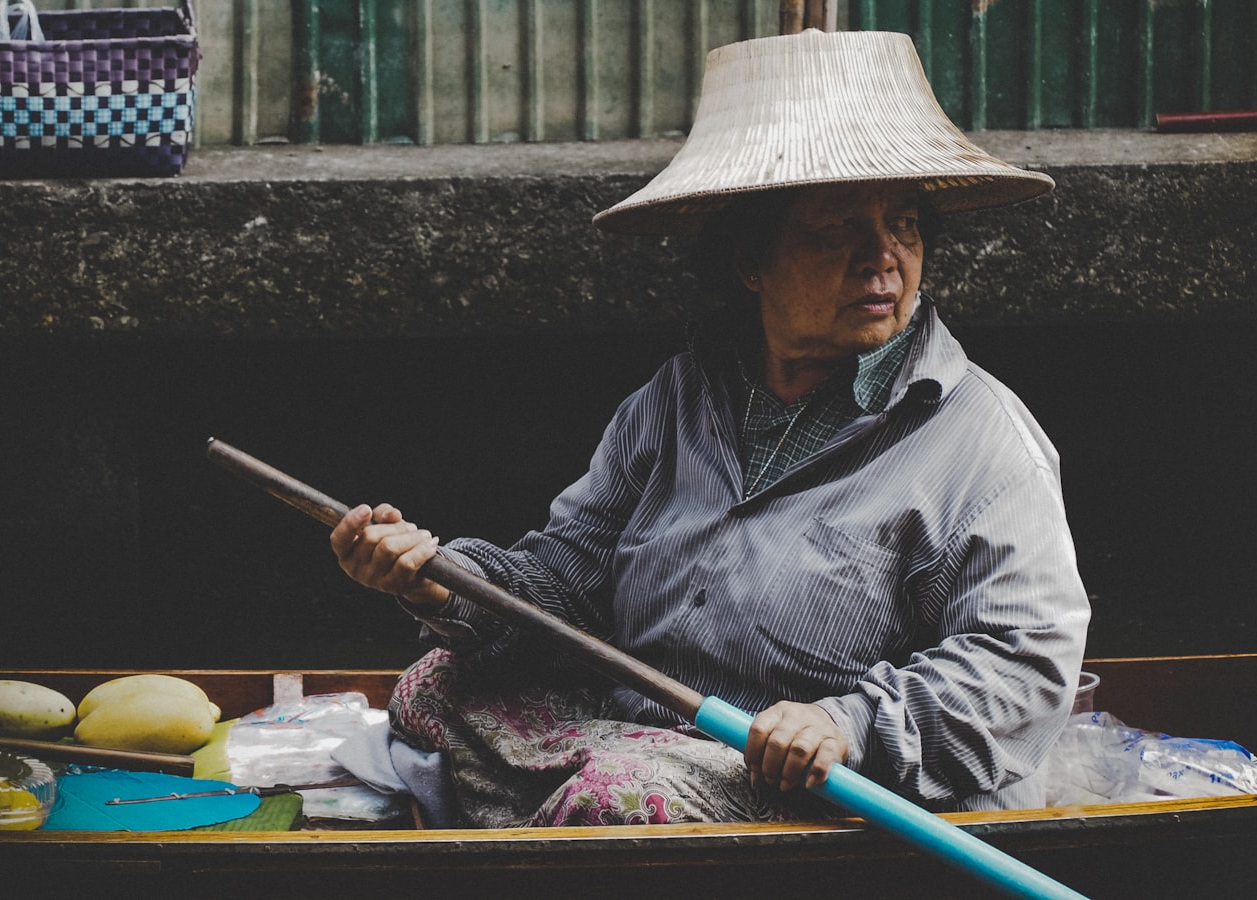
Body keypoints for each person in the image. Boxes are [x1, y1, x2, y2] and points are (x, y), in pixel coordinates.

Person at [330, 29, 1090, 827]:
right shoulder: (680, 399)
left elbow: (1021, 666)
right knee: (433, 687)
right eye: (835, 230)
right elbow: (563, 585)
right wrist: (434, 578)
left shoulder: (983, 440)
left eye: (903, 224)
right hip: (650, 734)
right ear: (750, 261)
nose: (883, 259)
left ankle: (562, 831)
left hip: (838, 787)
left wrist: (845, 722)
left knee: (619, 799)